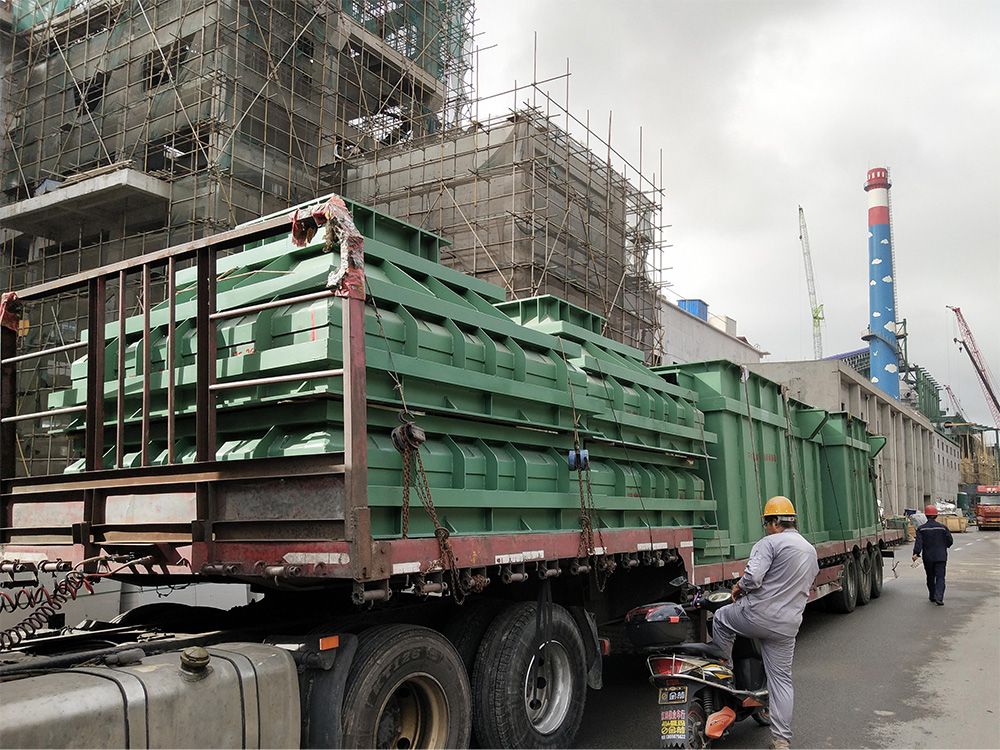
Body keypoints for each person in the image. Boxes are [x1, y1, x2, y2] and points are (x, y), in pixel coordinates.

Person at [708, 496, 819, 750]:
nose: (766, 528)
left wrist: (739, 587)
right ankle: (781, 741)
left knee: (722, 618)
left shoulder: (769, 543)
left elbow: (754, 577)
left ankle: (724, 674)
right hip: (787, 626)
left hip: (757, 616)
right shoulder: (809, 550)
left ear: (775, 522)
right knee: (781, 681)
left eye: (767, 523)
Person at [912, 504, 953, 605]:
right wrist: (944, 545)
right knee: (940, 577)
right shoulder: (943, 528)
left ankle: (932, 595)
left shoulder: (921, 529)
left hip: (928, 557)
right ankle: (939, 597)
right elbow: (950, 541)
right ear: (936, 515)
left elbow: (919, 542)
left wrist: (916, 553)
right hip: (941, 557)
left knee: (930, 577)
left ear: (926, 516)